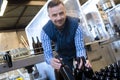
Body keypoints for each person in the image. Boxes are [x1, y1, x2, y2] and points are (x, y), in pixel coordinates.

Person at [41, 0, 92, 79]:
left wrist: (82, 59)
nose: (59, 18)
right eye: (54, 15)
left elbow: (80, 48)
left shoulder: (76, 26)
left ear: (65, 12)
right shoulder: (45, 31)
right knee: (68, 77)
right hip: (63, 56)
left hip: (77, 53)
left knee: (84, 75)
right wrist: (50, 61)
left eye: (61, 13)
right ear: (49, 16)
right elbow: (47, 55)